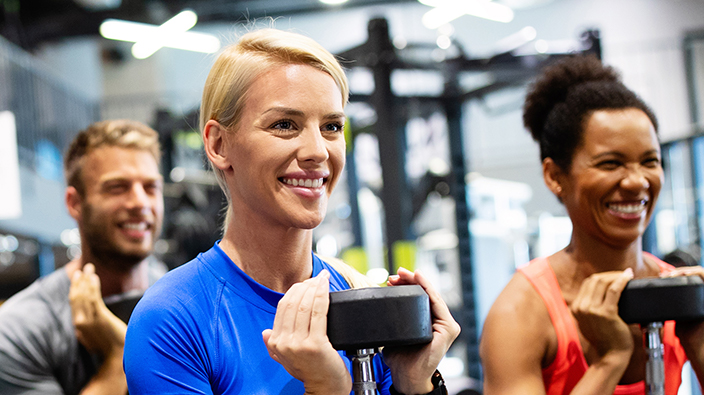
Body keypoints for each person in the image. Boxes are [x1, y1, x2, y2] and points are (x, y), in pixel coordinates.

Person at [123, 28, 460, 395]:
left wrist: (415, 384)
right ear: (219, 144)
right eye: (285, 125)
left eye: (332, 127)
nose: (318, 150)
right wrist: (325, 388)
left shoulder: (357, 297)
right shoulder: (172, 320)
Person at [479, 55, 704, 395]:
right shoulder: (520, 311)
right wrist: (610, 360)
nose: (637, 181)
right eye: (611, 163)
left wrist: (703, 352)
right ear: (554, 176)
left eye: (649, 161)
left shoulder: (686, 297)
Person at [0, 119, 165, 394]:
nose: (140, 202)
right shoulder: (20, 330)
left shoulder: (185, 303)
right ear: (74, 203)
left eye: (150, 187)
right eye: (117, 187)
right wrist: (118, 356)